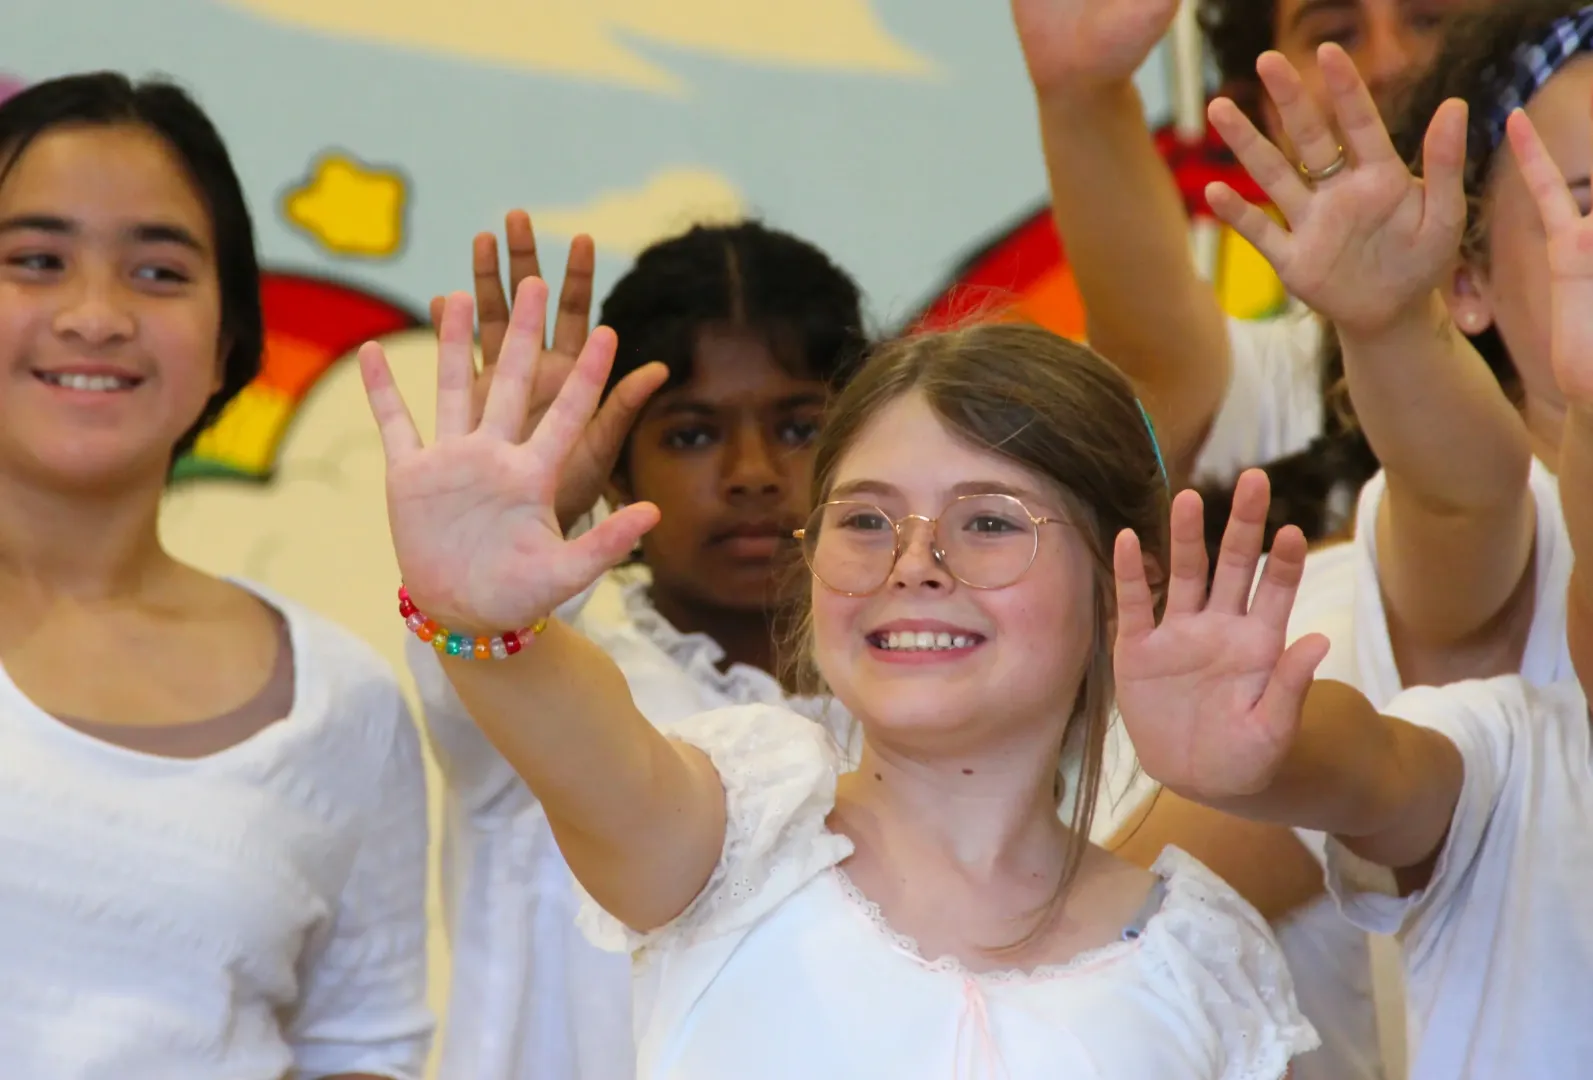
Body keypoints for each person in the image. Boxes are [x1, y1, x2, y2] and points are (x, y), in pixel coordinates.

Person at [364, 285, 1318, 1077]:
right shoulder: (735, 837)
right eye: (864, 521)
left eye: (987, 522)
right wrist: (479, 618)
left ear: (1125, 582)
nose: (914, 564)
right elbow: (574, 727)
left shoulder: (1201, 955)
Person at [1113, 98, 1593, 1062]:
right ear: (1468, 279)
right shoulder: (1510, 752)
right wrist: (1386, 326)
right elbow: (1369, 770)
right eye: (1579, 206)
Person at [0, 73, 431, 1077]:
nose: (95, 316)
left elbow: (364, 1048)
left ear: (228, 337)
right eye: (36, 260)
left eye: (157, 273)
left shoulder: (344, 704)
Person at [414, 216, 868, 1080]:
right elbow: (473, 651)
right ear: (614, 465)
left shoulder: (920, 703)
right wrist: (523, 511)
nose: (751, 472)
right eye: (691, 434)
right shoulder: (536, 665)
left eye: (799, 427)